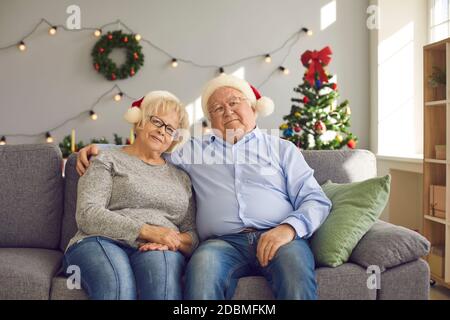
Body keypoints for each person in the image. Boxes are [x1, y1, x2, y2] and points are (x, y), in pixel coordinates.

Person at [77, 74, 332, 300]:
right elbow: (152, 148)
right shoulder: (194, 150)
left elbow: (316, 200)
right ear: (210, 121)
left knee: (295, 275)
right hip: (223, 243)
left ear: (254, 108)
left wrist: (288, 229)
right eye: (217, 108)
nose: (227, 111)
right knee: (202, 271)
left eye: (234, 102)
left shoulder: (281, 149)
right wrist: (100, 150)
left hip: (279, 236)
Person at [64, 91, 198, 300]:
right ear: (139, 123)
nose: (162, 131)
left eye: (170, 129)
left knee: (162, 286)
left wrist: (174, 240)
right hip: (101, 241)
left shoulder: (182, 178)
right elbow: (87, 213)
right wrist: (148, 231)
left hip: (158, 248)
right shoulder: (106, 159)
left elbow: (192, 232)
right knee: (117, 286)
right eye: (156, 121)